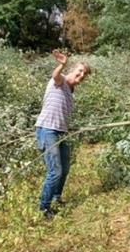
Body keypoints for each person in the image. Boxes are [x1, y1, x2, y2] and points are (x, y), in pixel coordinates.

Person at [35, 50, 91, 218]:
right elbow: (56, 75)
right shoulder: (60, 81)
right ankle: (43, 208)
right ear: (71, 70)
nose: (81, 76)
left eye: (84, 75)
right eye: (79, 71)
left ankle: (56, 197)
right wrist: (61, 64)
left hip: (61, 133)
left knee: (65, 168)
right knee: (55, 171)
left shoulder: (70, 90)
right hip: (47, 130)